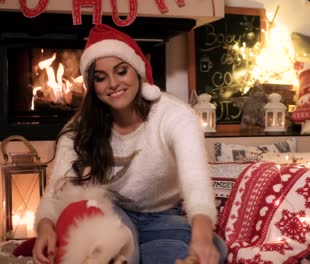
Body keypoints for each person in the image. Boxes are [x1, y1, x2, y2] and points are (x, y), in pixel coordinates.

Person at [32, 24, 227, 264]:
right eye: (101, 78)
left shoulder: (175, 116)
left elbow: (195, 179)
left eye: (121, 71)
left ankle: (153, 246)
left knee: (211, 248)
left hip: (164, 217)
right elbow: (57, 188)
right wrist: (45, 227)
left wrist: (202, 234)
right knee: (119, 255)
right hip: (112, 211)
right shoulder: (81, 126)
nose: (113, 83)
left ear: (137, 71)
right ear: (93, 86)